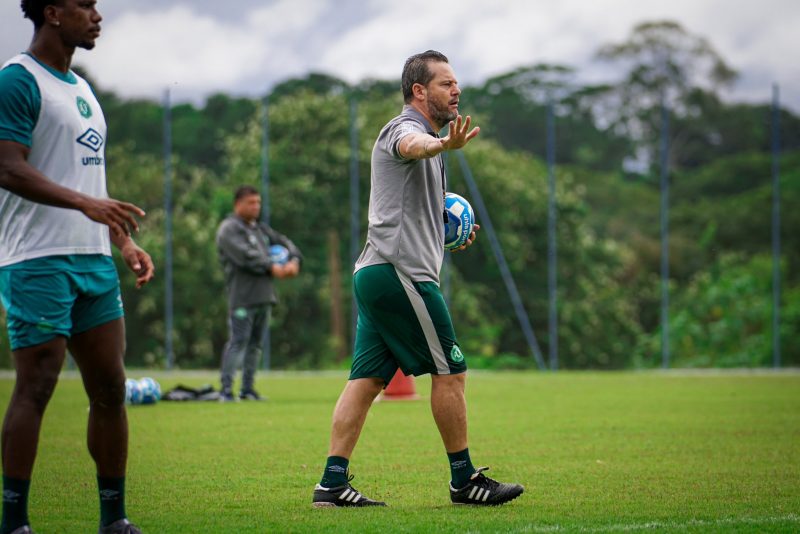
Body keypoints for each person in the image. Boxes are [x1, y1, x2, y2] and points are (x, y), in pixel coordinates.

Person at [312, 50, 524, 508]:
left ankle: (331, 484)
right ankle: (464, 481)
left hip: (376, 273)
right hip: (401, 274)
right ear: (419, 91)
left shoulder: (431, 138)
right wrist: (442, 145)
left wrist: (448, 230)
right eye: (447, 84)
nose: (456, 91)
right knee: (451, 371)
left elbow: (414, 201)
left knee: (367, 381)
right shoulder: (405, 129)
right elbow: (410, 144)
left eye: (456, 83)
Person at [0, 1, 155, 533]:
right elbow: (7, 166)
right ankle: (15, 522)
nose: (97, 14)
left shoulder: (83, 89)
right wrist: (86, 207)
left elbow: (92, 187)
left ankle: (114, 519)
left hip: (93, 262)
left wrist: (121, 242)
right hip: (36, 260)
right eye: (84, 5)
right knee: (36, 386)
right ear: (52, 12)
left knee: (111, 388)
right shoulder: (17, 80)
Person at [216, 185, 302, 402]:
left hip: (264, 297)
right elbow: (245, 256)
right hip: (242, 297)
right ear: (237, 204)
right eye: (251, 203)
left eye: (258, 202)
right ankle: (226, 391)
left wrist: (293, 261)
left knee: (255, 345)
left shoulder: (260, 229)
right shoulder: (229, 229)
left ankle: (247, 390)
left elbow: (287, 244)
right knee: (239, 341)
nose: (256, 207)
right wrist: (271, 267)